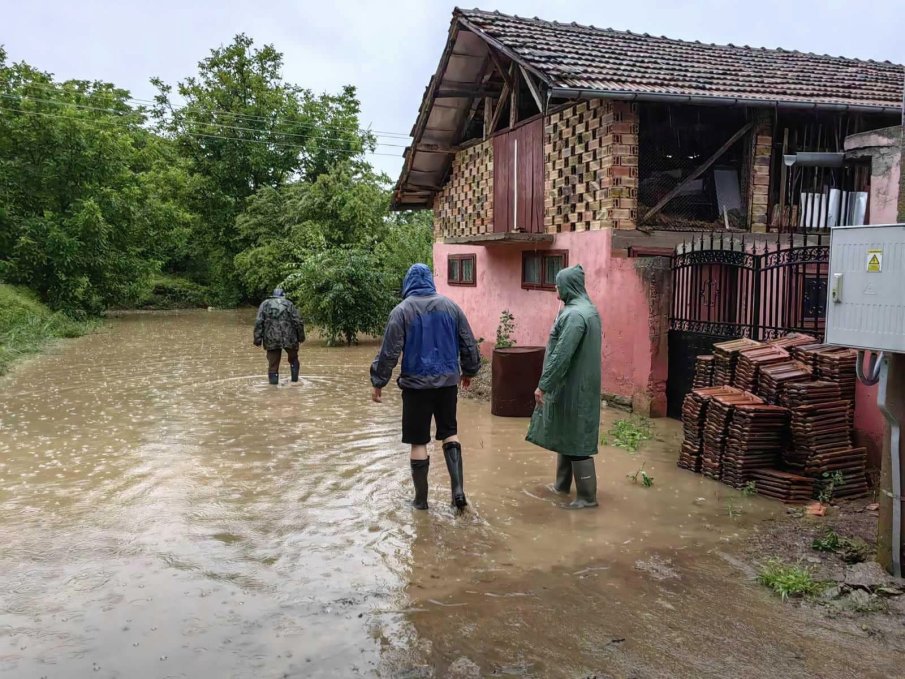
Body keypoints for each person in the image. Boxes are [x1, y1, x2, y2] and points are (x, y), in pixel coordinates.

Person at [370, 263, 481, 511]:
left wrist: (378, 382)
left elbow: (389, 352)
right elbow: (468, 342)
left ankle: (421, 501)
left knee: (418, 442)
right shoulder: (451, 307)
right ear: (430, 280)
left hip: (415, 387)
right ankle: (458, 492)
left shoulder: (401, 311)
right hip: (447, 384)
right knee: (450, 433)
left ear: (408, 283)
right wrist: (470, 371)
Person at [526, 264, 602, 509]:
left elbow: (561, 356)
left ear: (569, 286)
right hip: (578, 385)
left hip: (573, 387)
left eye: (558, 283)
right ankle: (561, 487)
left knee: (578, 439)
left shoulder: (574, 316)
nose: (555, 287)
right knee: (568, 433)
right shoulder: (584, 310)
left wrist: (543, 385)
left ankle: (587, 498)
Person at [253, 288, 305, 385]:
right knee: (294, 359)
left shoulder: (265, 304)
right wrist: (301, 337)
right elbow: (298, 321)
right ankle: (295, 382)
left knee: (273, 364)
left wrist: (257, 339)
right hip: (290, 337)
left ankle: (273, 390)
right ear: (283, 295)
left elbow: (259, 322)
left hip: (272, 338)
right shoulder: (289, 304)